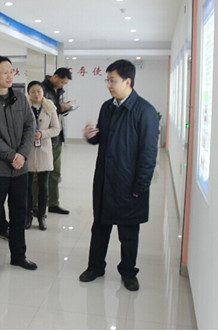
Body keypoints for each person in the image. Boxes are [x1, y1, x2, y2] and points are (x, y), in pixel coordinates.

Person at [79, 59, 159, 292]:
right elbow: (102, 137)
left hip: (129, 184)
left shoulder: (145, 111)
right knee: (99, 228)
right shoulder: (107, 107)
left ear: (127, 81)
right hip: (105, 180)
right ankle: (95, 267)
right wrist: (91, 136)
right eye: (107, 80)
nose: (108, 85)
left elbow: (149, 154)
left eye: (112, 80)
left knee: (128, 233)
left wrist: (140, 187)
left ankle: (128, 272)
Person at [0, 55, 37, 275]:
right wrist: (12, 156)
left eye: (12, 71)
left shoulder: (20, 98)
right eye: (5, 72)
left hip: (20, 170)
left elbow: (30, 126)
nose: (10, 76)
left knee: (19, 213)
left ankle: (19, 255)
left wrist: (22, 154)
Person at [25, 81, 60, 231]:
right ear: (28, 93)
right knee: (27, 187)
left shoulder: (50, 107)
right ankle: (28, 216)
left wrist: (42, 133)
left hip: (44, 150)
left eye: (39, 91)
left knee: (43, 187)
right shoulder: (24, 107)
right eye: (33, 91)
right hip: (28, 151)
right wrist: (29, 134)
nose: (36, 94)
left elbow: (56, 129)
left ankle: (42, 216)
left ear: (43, 92)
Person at [41, 67, 73, 215]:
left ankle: (53, 203)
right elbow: (44, 110)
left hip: (57, 135)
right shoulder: (41, 89)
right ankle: (36, 205)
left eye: (64, 84)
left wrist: (65, 108)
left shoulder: (58, 91)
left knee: (55, 172)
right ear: (54, 77)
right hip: (45, 137)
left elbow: (57, 111)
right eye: (61, 82)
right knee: (41, 174)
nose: (62, 85)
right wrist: (60, 108)